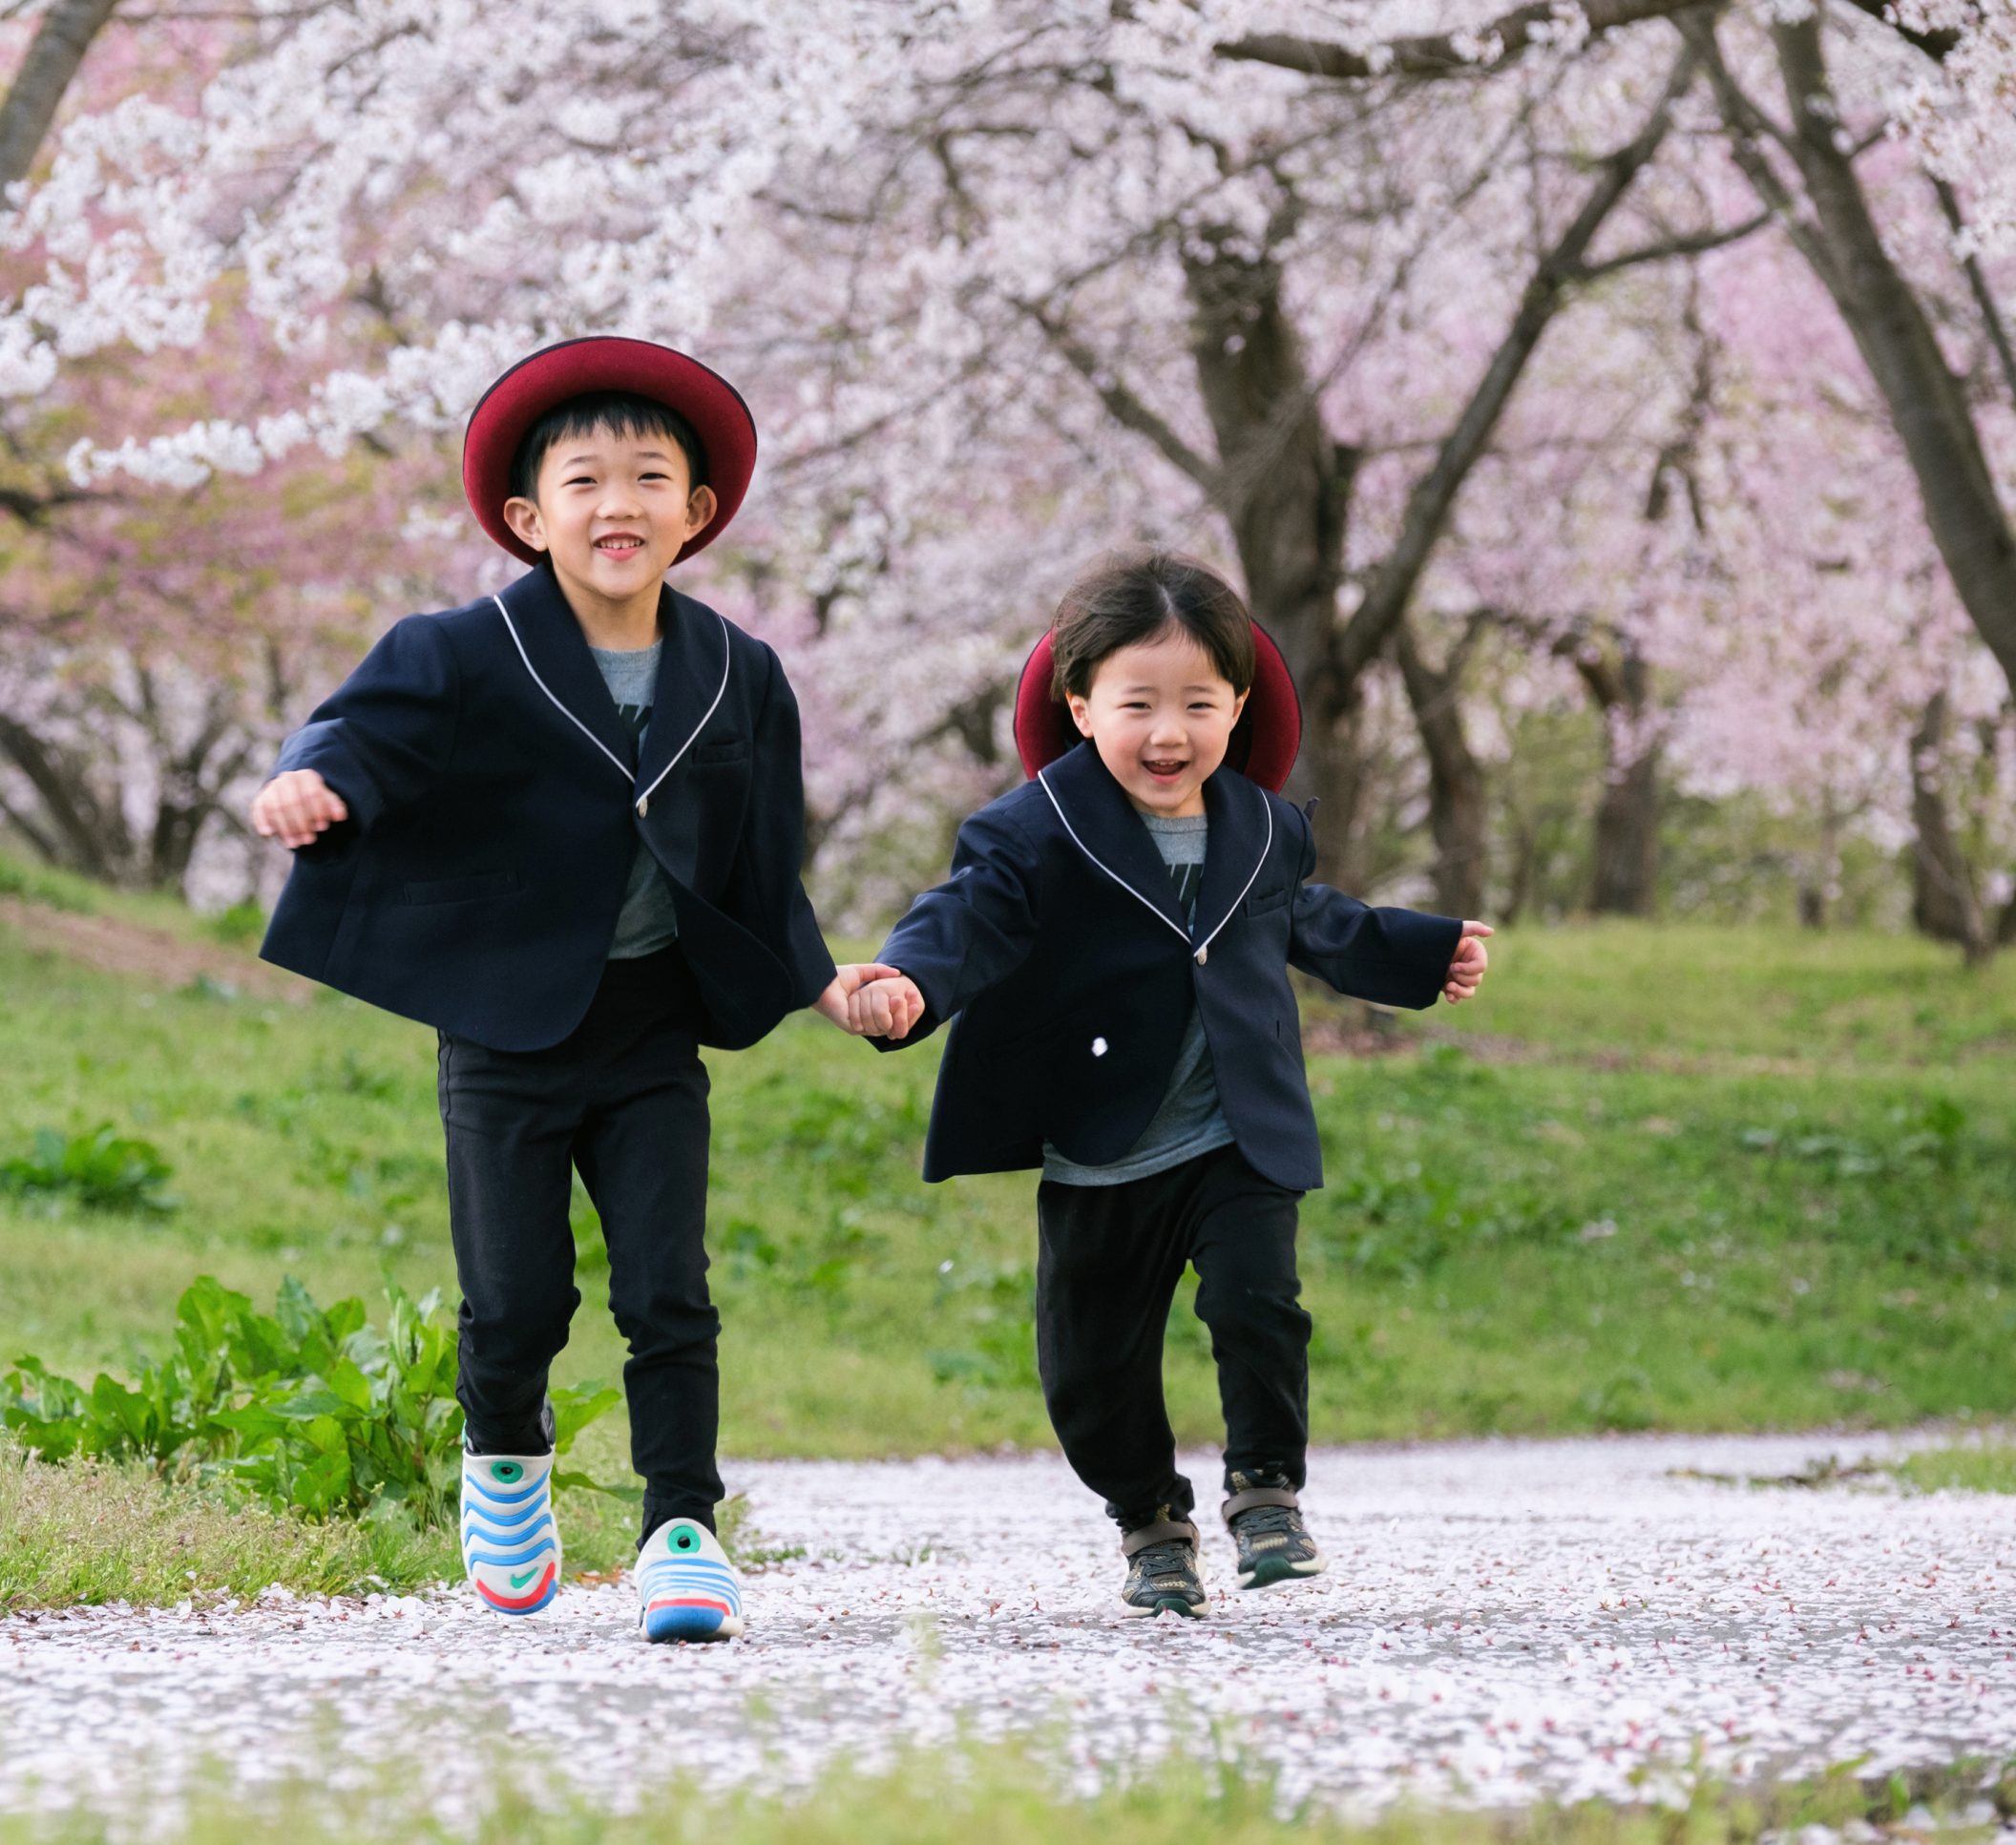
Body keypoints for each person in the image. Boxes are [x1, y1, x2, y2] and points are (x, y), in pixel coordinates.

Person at [252, 337, 890, 1642]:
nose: (619, 504)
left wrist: (821, 980)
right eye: (584, 480)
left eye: (650, 478)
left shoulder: (741, 673)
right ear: (529, 516)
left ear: (695, 512)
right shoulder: (463, 650)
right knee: (516, 1297)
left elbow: (762, 865)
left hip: (655, 1023)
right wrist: (310, 781)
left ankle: (680, 1528)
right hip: (506, 1026)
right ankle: (504, 1453)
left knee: (669, 1291)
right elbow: (358, 731)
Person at [846, 549, 1492, 1617]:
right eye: (1137, 702)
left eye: (1198, 703)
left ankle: (1266, 1491)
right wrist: (909, 979)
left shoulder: (1262, 827)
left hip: (1236, 1131)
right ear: (1080, 705)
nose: (1168, 732)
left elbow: (1315, 922)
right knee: (1089, 1370)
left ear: (1237, 706)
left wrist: (1421, 956)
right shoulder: (1034, 831)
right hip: (1102, 1140)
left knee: (1259, 1303)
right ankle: (1149, 1518)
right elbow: (966, 914)